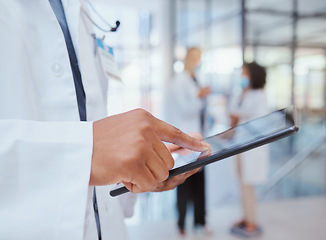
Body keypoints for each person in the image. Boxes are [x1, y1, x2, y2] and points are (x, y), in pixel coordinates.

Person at [0, 1, 210, 239]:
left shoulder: (82, 11)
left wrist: (128, 166)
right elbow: (87, 146)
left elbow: (90, 115)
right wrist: (84, 153)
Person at [164, 47, 212, 236]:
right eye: (197, 57)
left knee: (200, 181)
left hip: (199, 138)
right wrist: (199, 96)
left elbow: (202, 109)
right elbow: (184, 108)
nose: (199, 61)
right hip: (185, 139)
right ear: (189, 59)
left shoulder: (197, 79)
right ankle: (182, 223)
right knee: (183, 181)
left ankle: (201, 221)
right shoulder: (179, 81)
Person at [229, 62, 270, 238]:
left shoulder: (259, 96)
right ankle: (246, 218)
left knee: (248, 186)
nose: (242, 76)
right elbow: (232, 114)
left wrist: (240, 114)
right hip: (240, 146)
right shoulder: (243, 94)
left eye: (245, 73)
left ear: (252, 75)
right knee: (242, 185)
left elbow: (259, 122)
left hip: (251, 148)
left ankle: (252, 221)